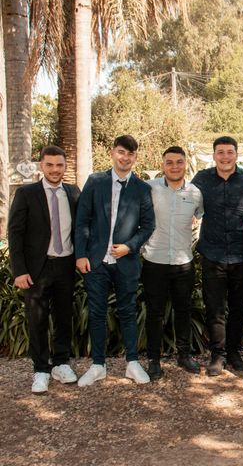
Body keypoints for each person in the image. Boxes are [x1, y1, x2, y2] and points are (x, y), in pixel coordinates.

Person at [75, 135, 155, 387]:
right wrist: (81, 255)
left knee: (128, 311)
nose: (125, 158)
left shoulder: (142, 189)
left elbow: (148, 225)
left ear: (135, 157)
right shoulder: (95, 181)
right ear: (112, 153)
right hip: (96, 262)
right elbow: (82, 220)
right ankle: (98, 365)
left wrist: (130, 246)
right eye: (121, 152)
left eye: (130, 154)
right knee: (97, 312)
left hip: (126, 263)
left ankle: (132, 363)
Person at [8, 146, 81, 394]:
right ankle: (40, 369)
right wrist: (19, 270)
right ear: (41, 166)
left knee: (63, 317)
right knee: (37, 319)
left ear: (64, 167)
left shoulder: (73, 192)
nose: (55, 170)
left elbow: (81, 228)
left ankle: (61, 363)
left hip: (65, 264)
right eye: (49, 165)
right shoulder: (27, 194)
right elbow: (15, 234)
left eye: (59, 165)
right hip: (37, 268)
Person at [192, 136, 243, 376]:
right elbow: (188, 204)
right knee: (215, 308)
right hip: (212, 254)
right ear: (214, 155)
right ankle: (217, 355)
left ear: (236, 155)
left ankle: (234, 352)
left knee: (238, 307)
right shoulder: (202, 179)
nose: (225, 157)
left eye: (230, 152)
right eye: (221, 152)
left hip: (241, 254)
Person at [141, 146, 204, 380]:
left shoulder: (196, 193)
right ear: (163, 164)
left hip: (183, 262)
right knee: (155, 313)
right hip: (154, 261)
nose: (174, 166)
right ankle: (154, 360)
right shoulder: (150, 188)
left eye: (179, 162)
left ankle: (184, 355)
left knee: (183, 310)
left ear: (185, 164)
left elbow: (200, 217)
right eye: (170, 162)